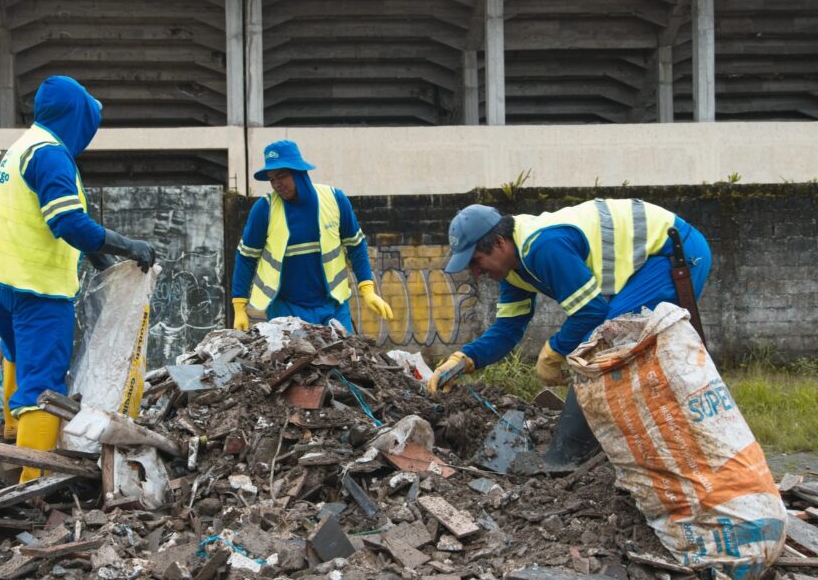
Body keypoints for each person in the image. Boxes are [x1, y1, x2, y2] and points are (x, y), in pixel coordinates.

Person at [0, 75, 155, 483]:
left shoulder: (22, 149)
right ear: (77, 118)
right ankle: (28, 484)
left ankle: (10, 440)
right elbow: (66, 221)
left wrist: (98, 256)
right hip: (36, 291)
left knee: (18, 358)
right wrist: (127, 245)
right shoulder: (52, 155)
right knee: (42, 382)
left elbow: (45, 218)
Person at [428, 198, 711, 395]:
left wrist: (554, 351)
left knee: (613, 336)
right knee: (610, 341)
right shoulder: (513, 270)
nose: (476, 273)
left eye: (476, 261)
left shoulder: (543, 246)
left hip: (675, 249)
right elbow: (507, 330)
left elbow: (591, 312)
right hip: (655, 258)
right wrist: (465, 358)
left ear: (499, 243)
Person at [231, 140, 393, 333]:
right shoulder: (264, 209)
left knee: (344, 361)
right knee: (293, 363)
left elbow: (356, 246)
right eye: (272, 179)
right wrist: (239, 306)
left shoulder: (335, 199)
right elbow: (246, 257)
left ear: (299, 171)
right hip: (285, 308)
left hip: (333, 305)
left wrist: (367, 290)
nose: (276, 184)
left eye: (281, 176)